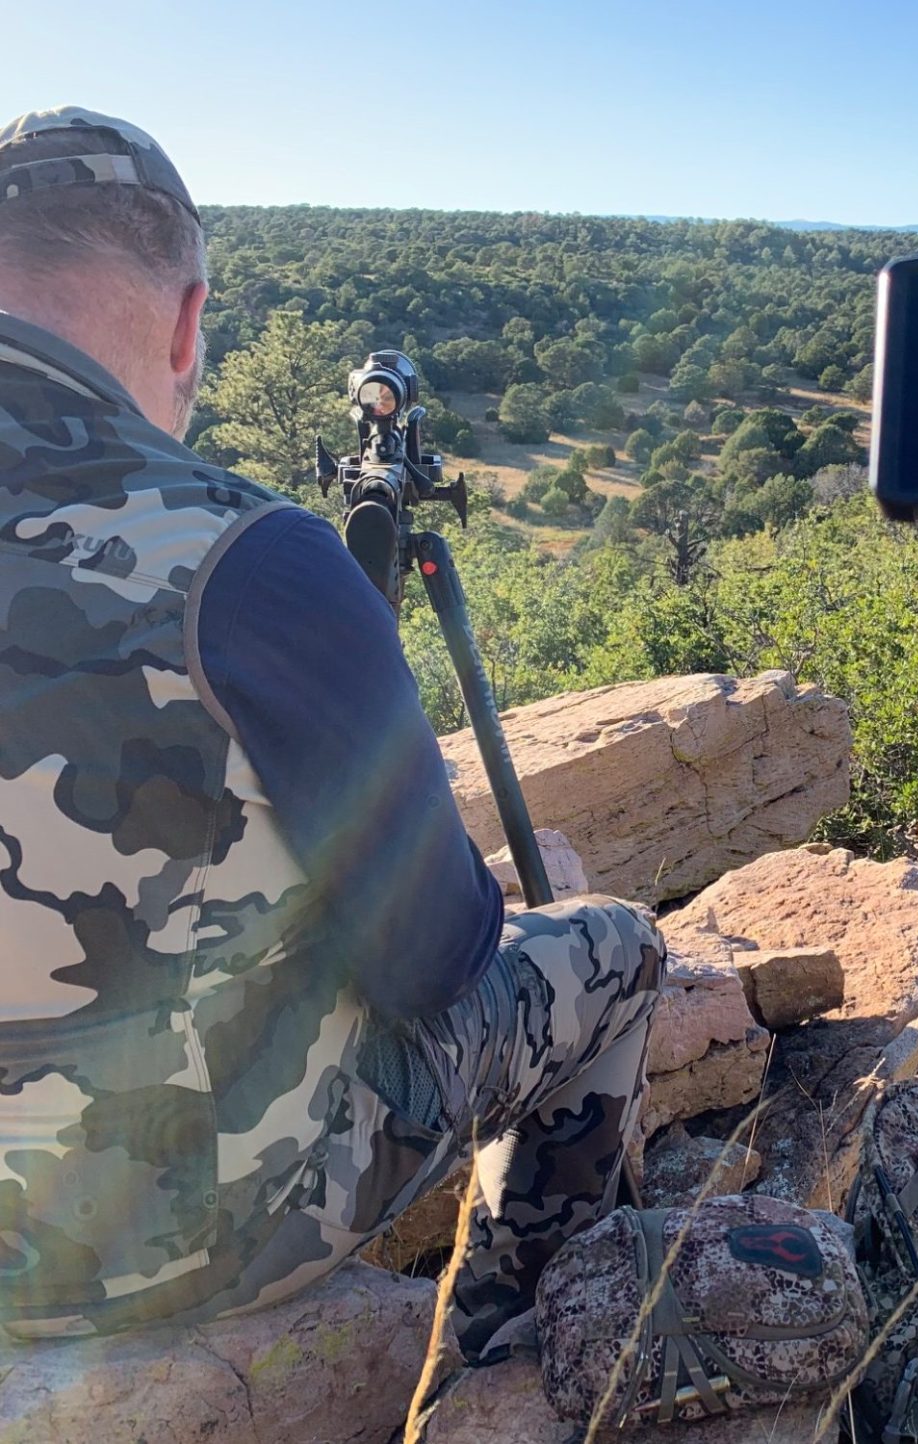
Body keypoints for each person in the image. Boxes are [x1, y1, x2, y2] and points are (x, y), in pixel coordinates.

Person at [0, 107, 664, 1351]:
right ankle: (509, 1355)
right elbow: (434, 962)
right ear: (190, 321)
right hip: (165, 1240)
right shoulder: (239, 554)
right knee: (616, 948)